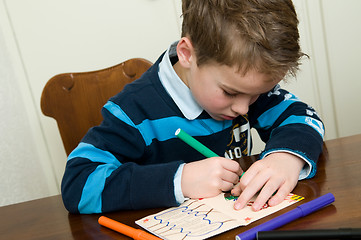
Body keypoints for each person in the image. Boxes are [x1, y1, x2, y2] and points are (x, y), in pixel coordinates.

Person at [61, 0, 324, 214]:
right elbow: (77, 184)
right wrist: (179, 180)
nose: (244, 108)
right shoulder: (134, 111)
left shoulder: (247, 87)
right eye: (230, 92)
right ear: (188, 54)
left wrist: (286, 158)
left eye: (258, 94)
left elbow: (304, 118)